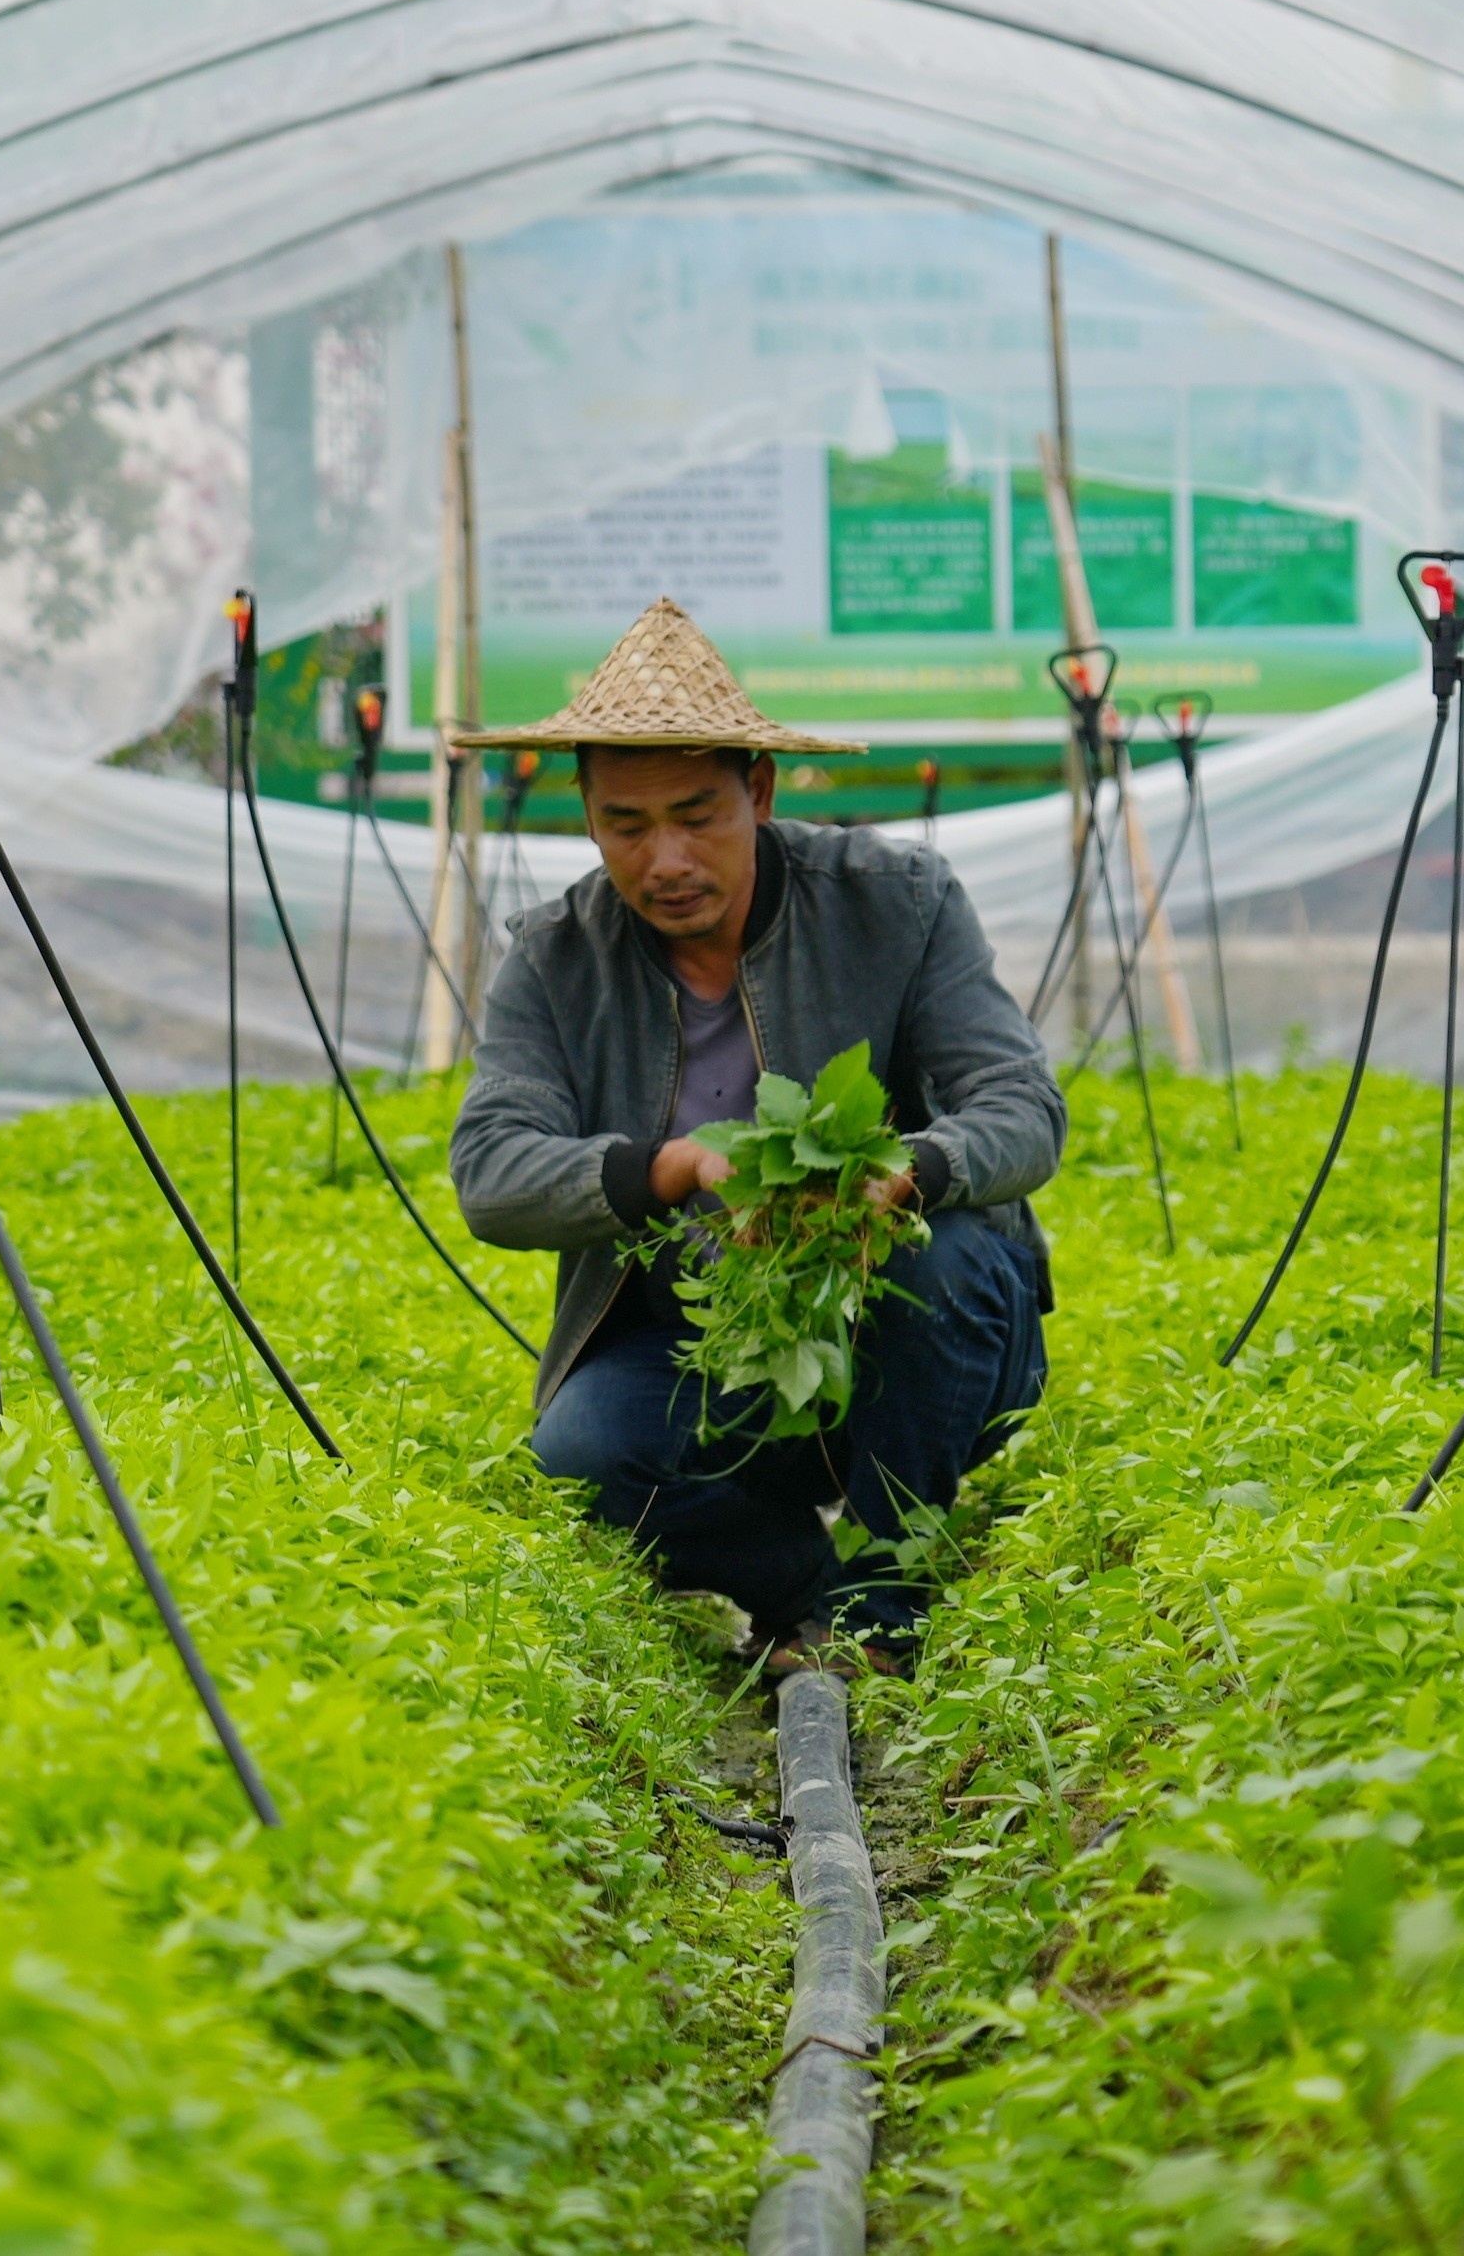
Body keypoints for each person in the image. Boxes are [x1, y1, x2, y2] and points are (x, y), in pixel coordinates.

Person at [449, 598, 1063, 1675]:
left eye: (699, 814)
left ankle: (886, 1596)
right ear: (586, 815)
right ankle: (802, 1585)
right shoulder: (556, 960)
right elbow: (493, 1175)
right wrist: (675, 1167)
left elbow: (1023, 1110)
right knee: (579, 1456)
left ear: (760, 791)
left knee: (958, 1256)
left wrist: (904, 1173)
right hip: (701, 1348)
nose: (666, 857)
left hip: (909, 1331)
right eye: (626, 824)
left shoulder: (896, 903)